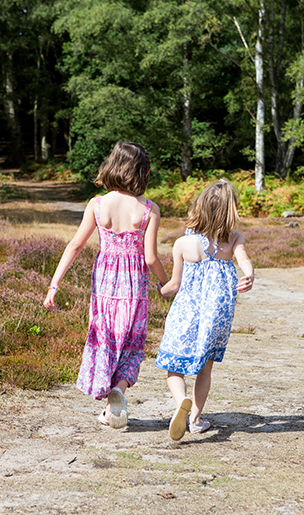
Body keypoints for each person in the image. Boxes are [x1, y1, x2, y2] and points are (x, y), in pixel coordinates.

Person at [44, 142, 168, 429]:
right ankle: (119, 391)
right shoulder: (149, 210)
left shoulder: (97, 204)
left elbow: (75, 245)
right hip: (134, 285)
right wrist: (166, 284)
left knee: (106, 338)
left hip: (104, 284)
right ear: (142, 172)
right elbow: (150, 258)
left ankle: (107, 400)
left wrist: (54, 285)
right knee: (132, 341)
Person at [155, 180, 254, 441]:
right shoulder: (234, 239)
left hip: (186, 312)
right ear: (230, 211)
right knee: (205, 369)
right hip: (217, 316)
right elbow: (244, 259)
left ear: (199, 207)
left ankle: (181, 401)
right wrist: (249, 275)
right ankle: (196, 420)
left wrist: (159, 290)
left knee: (174, 366)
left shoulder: (182, 245)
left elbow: (174, 285)